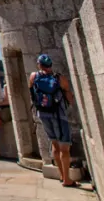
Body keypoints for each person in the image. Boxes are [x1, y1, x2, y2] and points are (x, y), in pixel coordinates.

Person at [29, 54, 77, 187]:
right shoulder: (59, 78)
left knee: (54, 144)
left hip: (43, 114)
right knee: (64, 147)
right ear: (50, 65)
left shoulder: (34, 76)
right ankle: (67, 179)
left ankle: (61, 174)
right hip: (58, 114)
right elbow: (68, 94)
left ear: (39, 64)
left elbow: (31, 92)